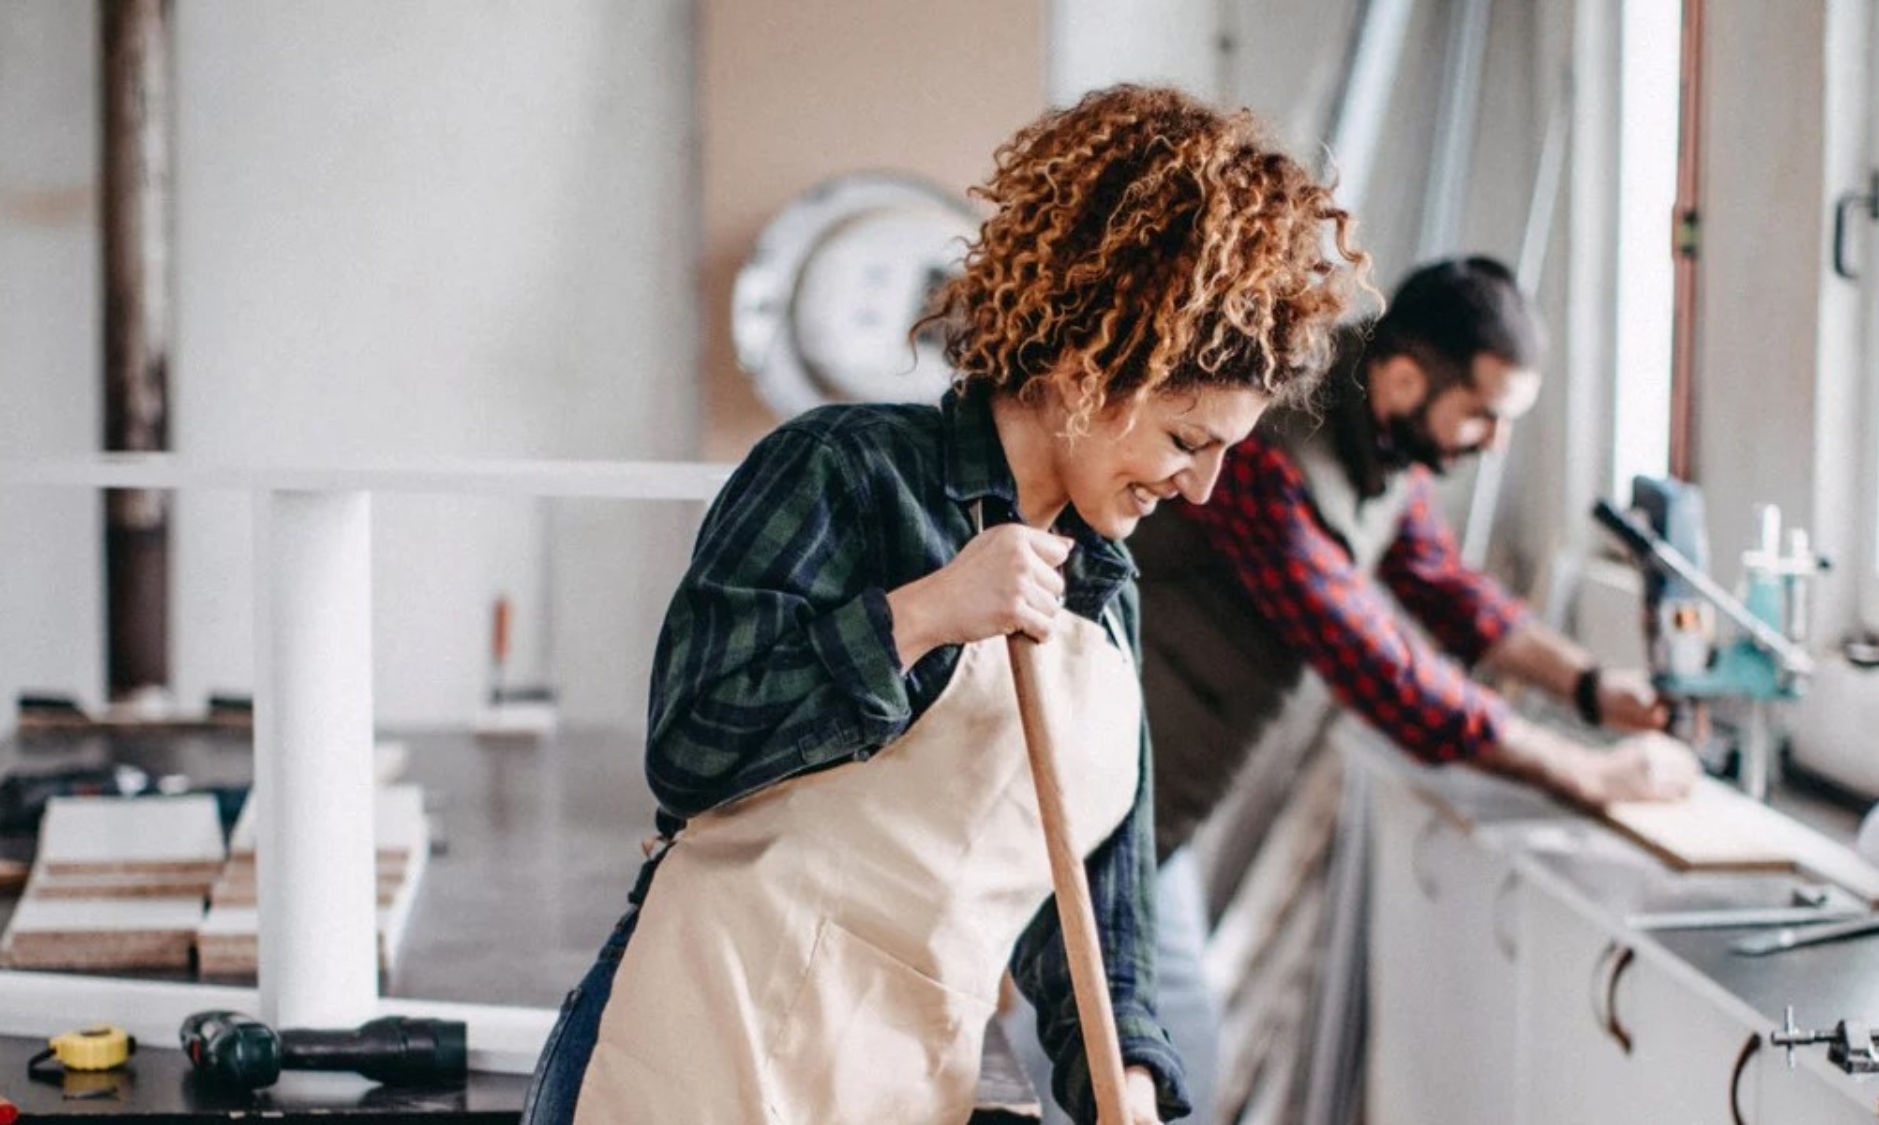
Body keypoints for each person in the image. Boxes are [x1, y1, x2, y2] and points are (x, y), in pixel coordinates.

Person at [521, 84, 1369, 1125]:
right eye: (1185, 443)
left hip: (895, 1086)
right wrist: (918, 614)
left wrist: (1127, 1087)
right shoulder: (844, 472)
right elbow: (690, 747)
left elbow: (1097, 904)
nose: (1196, 489)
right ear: (1085, 365)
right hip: (704, 1050)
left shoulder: (1105, 590)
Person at [1086, 256, 1700, 1122]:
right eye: (1485, 415)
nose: (1493, 441)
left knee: (1168, 1050)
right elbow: (1381, 669)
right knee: (1123, 1062)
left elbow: (1442, 583)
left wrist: (1592, 687)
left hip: (1154, 805)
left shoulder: (1376, 435)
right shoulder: (1270, 450)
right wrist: (1587, 772)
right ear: (1408, 376)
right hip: (1092, 788)